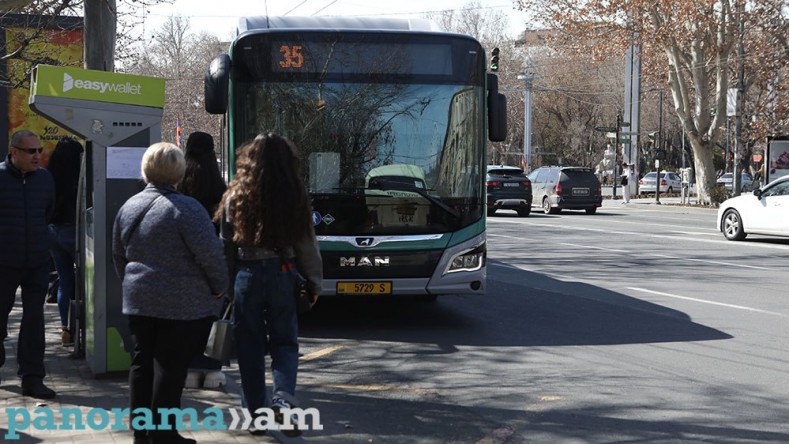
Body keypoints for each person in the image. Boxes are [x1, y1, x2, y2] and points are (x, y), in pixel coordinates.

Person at [112, 142, 228, 444]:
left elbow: (118, 254)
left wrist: (132, 283)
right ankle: (164, 434)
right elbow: (211, 254)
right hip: (179, 302)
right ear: (179, 172)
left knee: (141, 364)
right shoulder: (188, 209)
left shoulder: (130, 206)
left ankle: (141, 432)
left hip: (138, 299)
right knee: (170, 366)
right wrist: (220, 288)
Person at [216, 133, 322, 436]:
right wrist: (314, 283)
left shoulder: (236, 194)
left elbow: (226, 245)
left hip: (246, 275)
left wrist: (226, 286)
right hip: (283, 270)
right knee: (285, 342)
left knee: (249, 346)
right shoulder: (294, 193)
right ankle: (283, 400)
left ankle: (255, 415)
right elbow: (306, 244)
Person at [0, 130, 57, 399]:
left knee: (34, 321)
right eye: (31, 151)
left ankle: (32, 377)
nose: (37, 156)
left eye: (39, 151)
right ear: (14, 152)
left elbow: (47, 213)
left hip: (36, 261)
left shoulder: (45, 180)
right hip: (4, 263)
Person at [176, 131, 228, 388]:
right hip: (210, 256)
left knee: (186, 317)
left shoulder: (180, 181)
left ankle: (187, 367)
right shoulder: (218, 184)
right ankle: (209, 369)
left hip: (183, 258)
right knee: (209, 316)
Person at [46, 137, 83, 347]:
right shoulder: (78, 177)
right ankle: (83, 326)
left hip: (53, 231)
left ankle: (65, 328)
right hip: (73, 229)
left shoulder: (50, 176)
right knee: (84, 280)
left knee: (64, 279)